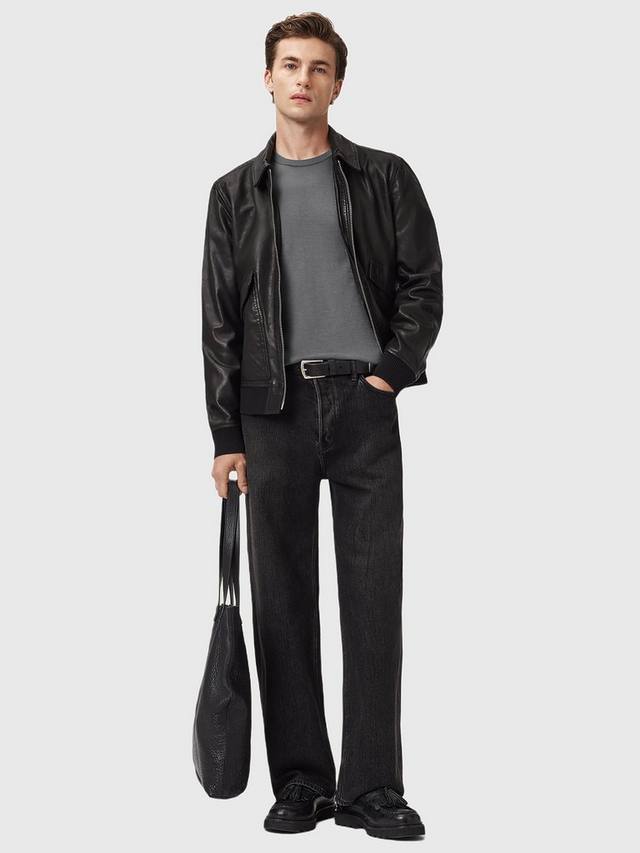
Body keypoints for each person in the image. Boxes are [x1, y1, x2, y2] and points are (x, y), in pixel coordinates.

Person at [201, 12, 443, 840]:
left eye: (318, 67)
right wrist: (225, 436)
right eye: (289, 65)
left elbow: (423, 284)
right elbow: (220, 323)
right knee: (282, 600)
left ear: (338, 84)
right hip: (271, 412)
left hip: (364, 405)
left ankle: (373, 787)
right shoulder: (232, 195)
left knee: (374, 598)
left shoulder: (385, 177)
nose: (302, 79)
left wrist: (389, 372)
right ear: (266, 78)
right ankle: (302, 781)